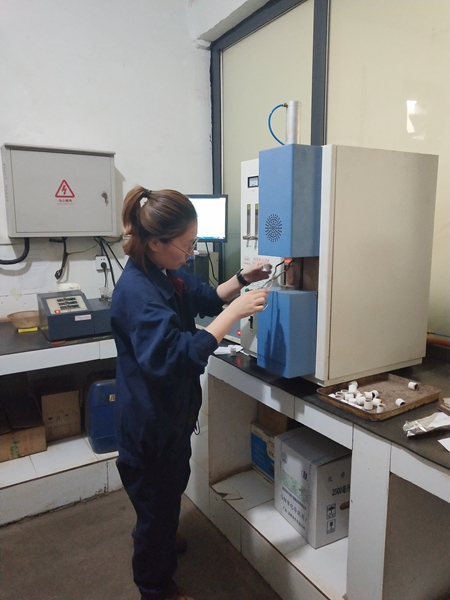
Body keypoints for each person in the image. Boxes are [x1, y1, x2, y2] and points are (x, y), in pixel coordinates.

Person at [110, 186, 271, 600]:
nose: (190, 252)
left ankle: (162, 534)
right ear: (156, 242)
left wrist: (242, 280)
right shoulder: (138, 293)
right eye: (186, 245)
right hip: (149, 426)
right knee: (154, 509)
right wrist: (233, 314)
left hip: (171, 419)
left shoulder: (163, 271)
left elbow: (202, 295)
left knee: (168, 493)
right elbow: (175, 359)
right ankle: (155, 586)